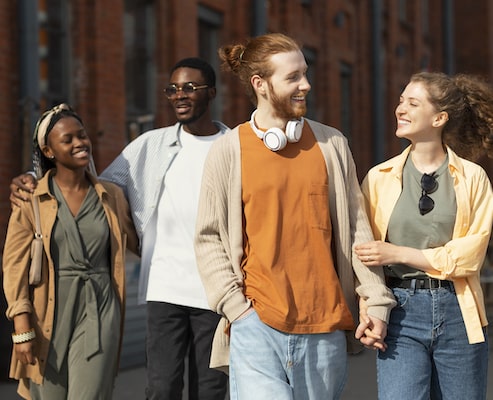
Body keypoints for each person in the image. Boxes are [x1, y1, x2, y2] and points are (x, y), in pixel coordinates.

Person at [10, 58, 229, 400]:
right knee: (161, 389)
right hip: (164, 289)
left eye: (190, 87)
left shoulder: (235, 148)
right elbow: (90, 181)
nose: (180, 95)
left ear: (211, 93)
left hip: (218, 291)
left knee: (212, 390)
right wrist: (31, 179)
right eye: (173, 89)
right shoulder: (149, 145)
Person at [193, 32, 396, 400]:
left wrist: (375, 299)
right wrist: (236, 308)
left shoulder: (331, 144)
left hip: (325, 327)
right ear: (260, 84)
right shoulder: (228, 150)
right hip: (255, 323)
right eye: (293, 77)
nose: (306, 84)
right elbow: (208, 238)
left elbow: (355, 231)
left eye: (305, 73)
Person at [355, 71, 493, 399]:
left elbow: (469, 257)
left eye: (413, 103)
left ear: (439, 118)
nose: (400, 109)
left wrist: (398, 253)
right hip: (399, 310)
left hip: (460, 312)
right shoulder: (378, 178)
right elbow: (364, 253)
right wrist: (368, 307)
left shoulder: (474, 178)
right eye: (401, 101)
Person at [3, 103, 138, 399]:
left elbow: (144, 241)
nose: (80, 143)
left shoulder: (111, 196)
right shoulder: (31, 199)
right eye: (68, 139)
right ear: (49, 151)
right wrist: (21, 325)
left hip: (99, 310)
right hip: (46, 315)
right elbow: (14, 267)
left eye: (82, 135)